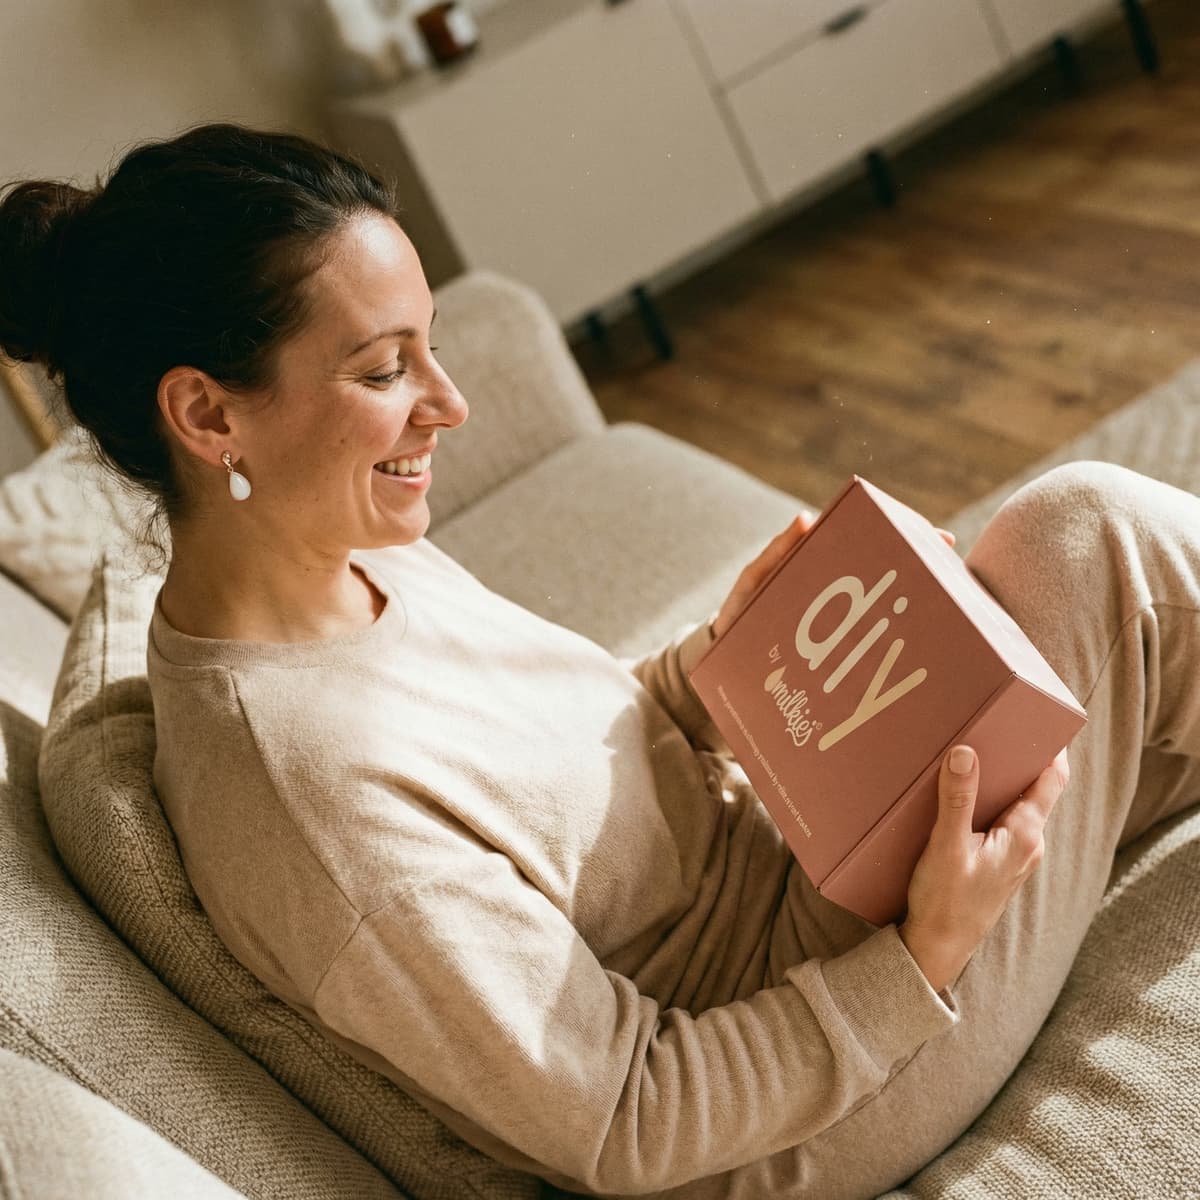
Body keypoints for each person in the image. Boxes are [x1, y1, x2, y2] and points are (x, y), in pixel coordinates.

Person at [1, 123, 1196, 1200]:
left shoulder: (344, 553)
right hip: (790, 1100)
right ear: (209, 417)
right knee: (1084, 532)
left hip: (798, 887)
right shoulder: (303, 796)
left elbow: (564, 795)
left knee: (1077, 595)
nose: (451, 404)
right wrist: (924, 952)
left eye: (432, 347)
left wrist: (715, 665)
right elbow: (630, 1118)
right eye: (383, 370)